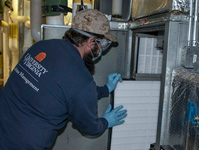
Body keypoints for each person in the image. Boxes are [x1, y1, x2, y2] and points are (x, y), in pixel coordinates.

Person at [0, 9, 127, 150]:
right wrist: (105, 122)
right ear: (91, 42)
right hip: (23, 145)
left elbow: (64, 90)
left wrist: (105, 89)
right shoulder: (81, 80)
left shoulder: (41, 47)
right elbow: (90, 127)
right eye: (103, 44)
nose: (101, 51)